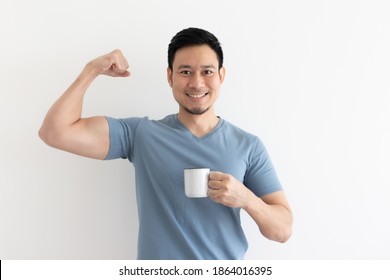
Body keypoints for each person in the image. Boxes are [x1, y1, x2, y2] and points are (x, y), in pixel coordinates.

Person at [39, 27, 293, 260]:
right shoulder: (141, 134)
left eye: (207, 71)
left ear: (221, 76)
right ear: (170, 77)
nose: (196, 83)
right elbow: (55, 132)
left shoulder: (248, 145)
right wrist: (91, 70)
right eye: (185, 72)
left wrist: (246, 198)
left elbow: (282, 231)